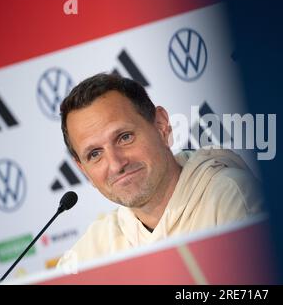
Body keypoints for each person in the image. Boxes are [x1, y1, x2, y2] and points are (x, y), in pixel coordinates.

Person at [57, 73, 264, 267]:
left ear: (161, 126)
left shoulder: (231, 198)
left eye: (125, 137)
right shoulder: (94, 249)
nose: (116, 164)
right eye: (94, 154)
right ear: (84, 170)